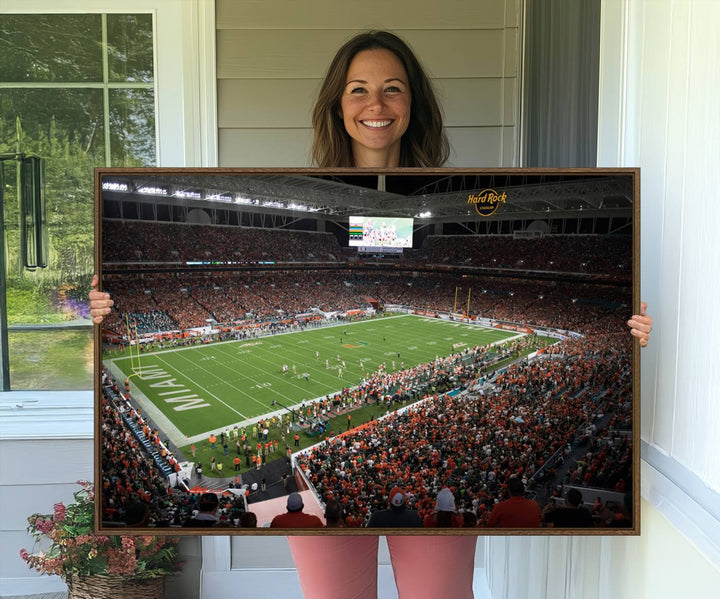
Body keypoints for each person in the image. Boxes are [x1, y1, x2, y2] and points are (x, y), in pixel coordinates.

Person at [89, 28, 653, 599]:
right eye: (358, 89)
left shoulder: (469, 188)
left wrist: (634, 334)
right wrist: (98, 310)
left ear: (415, 104)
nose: (375, 104)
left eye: (393, 89)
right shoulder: (286, 178)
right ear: (337, 105)